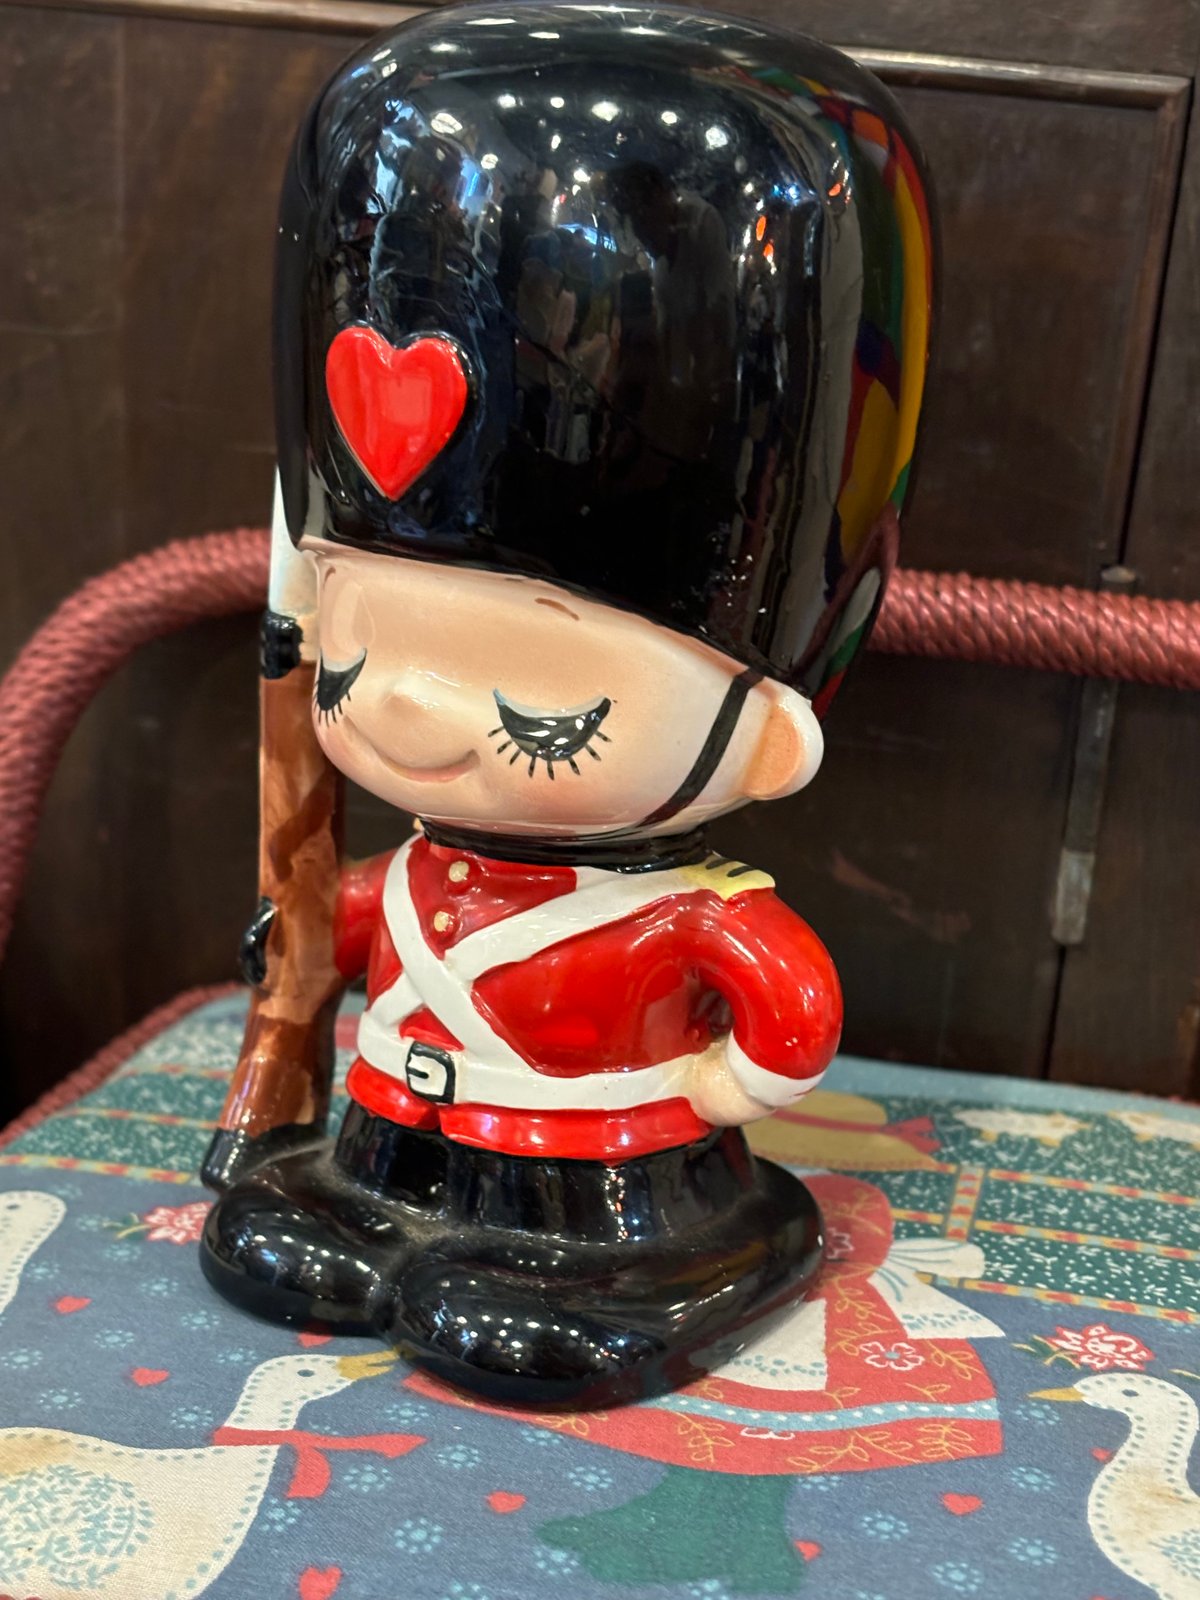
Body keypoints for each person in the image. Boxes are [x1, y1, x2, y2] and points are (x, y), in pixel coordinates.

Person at [200, 0, 934, 1409]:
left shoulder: (684, 915)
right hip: (390, 1139)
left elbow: (791, 1012)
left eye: (551, 722)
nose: (408, 716)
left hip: (614, 1178)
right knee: (288, 1241)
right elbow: (348, 913)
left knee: (520, 1320)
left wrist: (716, 1099)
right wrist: (304, 936)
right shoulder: (424, 864)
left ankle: (609, 1278)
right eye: (351, 660)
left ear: (768, 732)